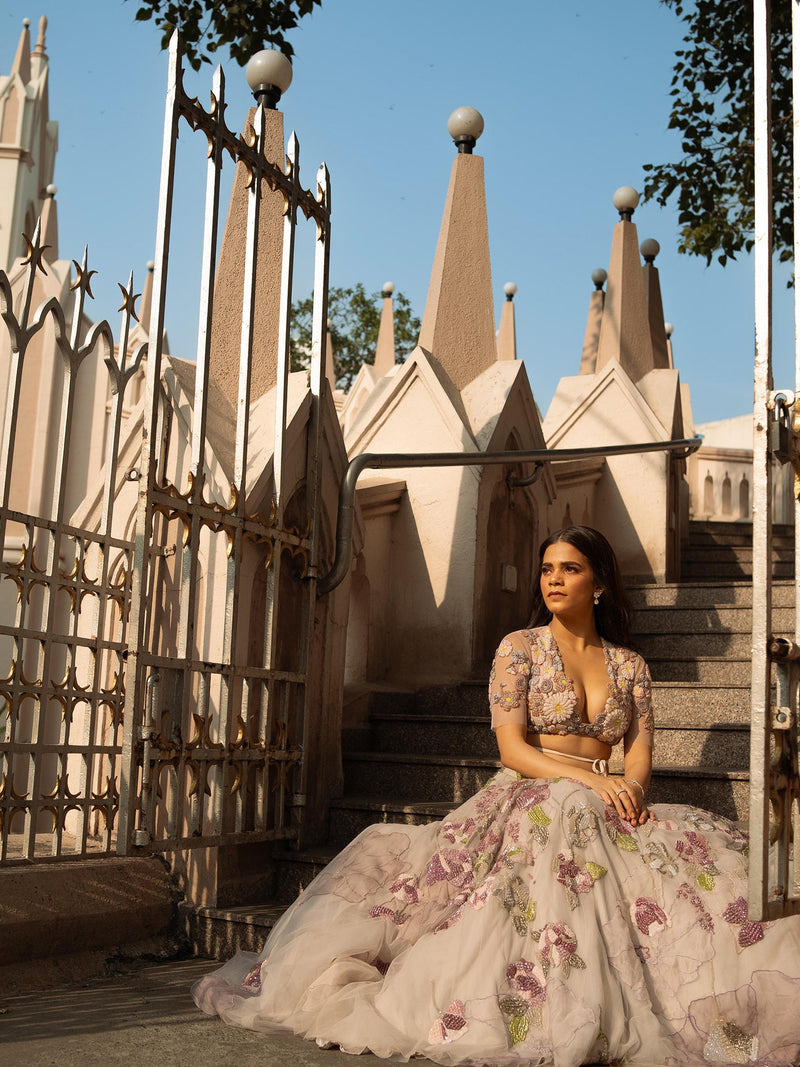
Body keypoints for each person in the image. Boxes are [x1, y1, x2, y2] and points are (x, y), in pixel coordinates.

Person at [192, 525, 800, 1065]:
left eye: (570, 568)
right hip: (532, 790)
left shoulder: (630, 665)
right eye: (547, 569)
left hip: (607, 796)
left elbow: (639, 750)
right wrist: (594, 781)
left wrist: (631, 791)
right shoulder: (520, 647)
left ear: (601, 584)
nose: (554, 579)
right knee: (568, 812)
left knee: (701, 850)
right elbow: (512, 750)